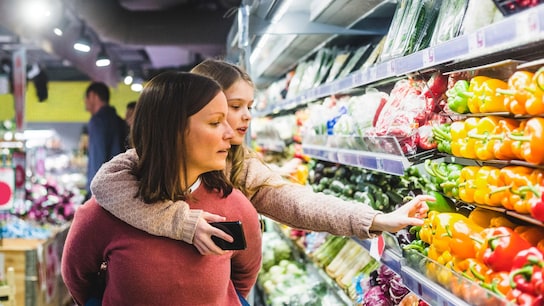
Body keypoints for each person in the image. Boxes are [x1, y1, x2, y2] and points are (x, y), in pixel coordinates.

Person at [91, 59, 433, 256]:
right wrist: (181, 222)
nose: (244, 117)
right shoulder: (145, 164)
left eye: (247, 108)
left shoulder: (238, 165)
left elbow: (297, 203)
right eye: (233, 107)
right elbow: (106, 185)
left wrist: (375, 219)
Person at [61, 72, 262, 306]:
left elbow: (243, 277)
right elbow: (77, 279)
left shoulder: (235, 206)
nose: (229, 133)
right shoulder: (102, 213)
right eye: (216, 122)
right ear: (172, 130)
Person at [83, 82, 127, 201]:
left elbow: (97, 157)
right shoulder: (118, 121)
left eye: (86, 98)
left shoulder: (97, 121)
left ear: (93, 96)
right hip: (119, 187)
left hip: (102, 192)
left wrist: (91, 194)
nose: (85, 102)